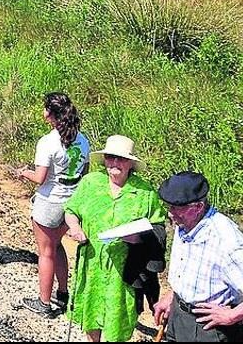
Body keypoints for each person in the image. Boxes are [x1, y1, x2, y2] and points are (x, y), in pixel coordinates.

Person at [64, 136, 167, 343]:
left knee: (118, 321)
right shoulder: (90, 183)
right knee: (91, 315)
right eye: (111, 158)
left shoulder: (145, 192)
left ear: (130, 163)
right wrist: (74, 227)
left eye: (121, 159)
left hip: (124, 271)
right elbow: (71, 210)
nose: (115, 163)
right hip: (92, 264)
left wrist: (139, 238)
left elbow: (158, 228)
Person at [14, 92, 91, 318]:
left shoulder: (48, 142)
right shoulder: (82, 140)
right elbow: (84, 173)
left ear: (50, 113)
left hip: (49, 202)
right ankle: (63, 292)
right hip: (71, 203)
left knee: (45, 252)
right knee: (58, 247)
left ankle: (44, 302)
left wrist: (23, 172)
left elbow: (40, 178)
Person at [154, 171, 243, 342]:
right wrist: (173, 295)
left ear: (198, 207)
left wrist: (232, 316)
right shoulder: (185, 222)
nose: (170, 214)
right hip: (178, 317)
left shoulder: (226, 240)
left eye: (176, 207)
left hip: (208, 328)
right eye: (169, 206)